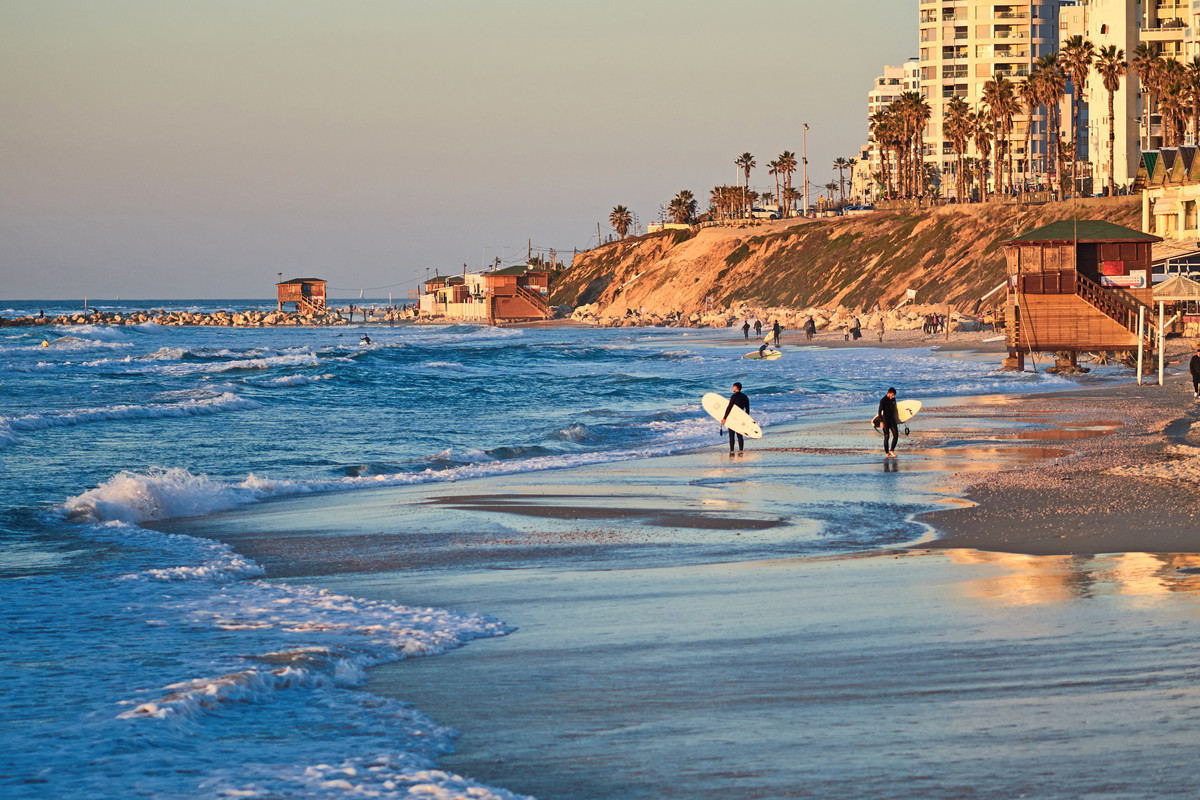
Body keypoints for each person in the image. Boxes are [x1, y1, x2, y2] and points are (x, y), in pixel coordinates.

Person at [722, 382, 750, 453]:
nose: (732, 388)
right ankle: (741, 450)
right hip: (741, 417)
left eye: (733, 387)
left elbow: (729, 408)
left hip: (733, 417)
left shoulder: (733, 396)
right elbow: (747, 409)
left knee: (731, 435)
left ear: (736, 388)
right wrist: (746, 419)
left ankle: (732, 450)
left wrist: (725, 417)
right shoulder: (745, 397)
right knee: (739, 435)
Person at [875, 386, 900, 458]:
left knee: (896, 435)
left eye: (894, 395)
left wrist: (899, 419)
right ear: (889, 393)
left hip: (892, 420)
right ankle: (887, 453)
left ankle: (892, 450)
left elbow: (895, 410)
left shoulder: (893, 399)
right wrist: (881, 422)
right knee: (887, 436)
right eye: (892, 395)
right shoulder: (883, 400)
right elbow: (879, 412)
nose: (893, 396)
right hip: (885, 420)